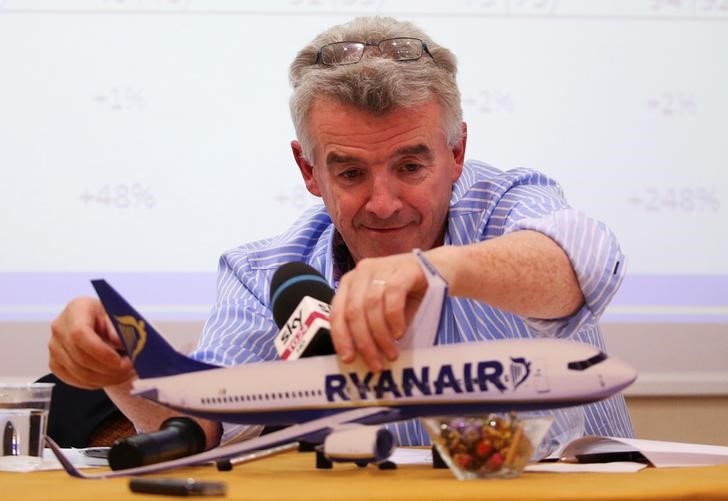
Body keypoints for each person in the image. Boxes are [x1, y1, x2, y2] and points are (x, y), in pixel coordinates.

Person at [49, 16, 633, 451]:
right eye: (350, 172)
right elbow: (209, 416)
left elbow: (577, 268)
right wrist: (122, 374)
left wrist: (433, 270)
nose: (383, 203)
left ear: (456, 152)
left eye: (411, 167)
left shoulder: (506, 205)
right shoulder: (264, 274)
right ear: (309, 170)